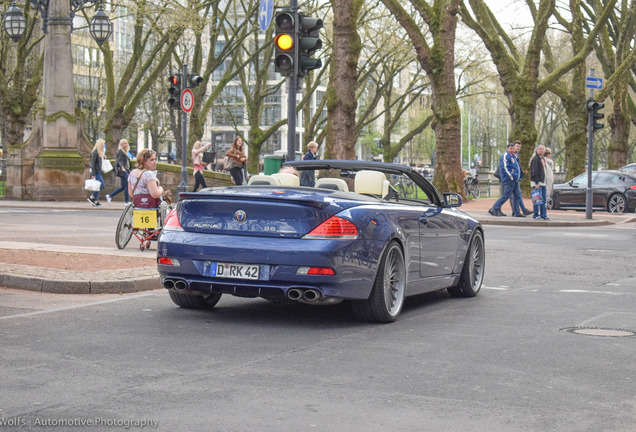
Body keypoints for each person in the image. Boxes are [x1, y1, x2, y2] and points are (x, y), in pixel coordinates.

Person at [488, 142, 520, 217]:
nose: (512, 150)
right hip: (509, 179)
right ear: (507, 149)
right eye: (510, 148)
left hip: (515, 179)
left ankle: (516, 212)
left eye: (513, 148)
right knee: (506, 195)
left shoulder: (513, 156)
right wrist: (511, 176)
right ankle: (494, 208)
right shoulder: (506, 156)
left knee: (518, 195)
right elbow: (505, 167)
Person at [509, 140, 533, 217]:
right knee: (511, 195)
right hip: (511, 178)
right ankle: (516, 211)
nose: (518, 148)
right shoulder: (510, 155)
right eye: (517, 146)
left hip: (516, 178)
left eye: (519, 146)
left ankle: (520, 210)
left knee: (518, 194)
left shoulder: (516, 155)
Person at [105, 139, 131, 205]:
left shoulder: (125, 152)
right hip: (123, 170)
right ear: (121, 145)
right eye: (123, 143)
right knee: (127, 186)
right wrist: (122, 167)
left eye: (126, 143)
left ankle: (110, 196)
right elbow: (119, 161)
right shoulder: (120, 151)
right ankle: (126, 202)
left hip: (126, 170)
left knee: (123, 187)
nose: (125, 144)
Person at [530, 144, 549, 220]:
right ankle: (536, 214)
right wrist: (536, 182)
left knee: (543, 199)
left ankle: (543, 215)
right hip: (538, 182)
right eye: (540, 149)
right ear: (537, 150)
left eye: (542, 149)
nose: (541, 150)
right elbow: (535, 171)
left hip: (542, 181)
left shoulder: (542, 159)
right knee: (537, 199)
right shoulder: (535, 159)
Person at [87, 139, 106, 206]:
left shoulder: (99, 152)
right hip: (96, 172)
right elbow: (92, 164)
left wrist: (103, 157)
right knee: (102, 185)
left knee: (97, 186)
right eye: (103, 144)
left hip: (98, 171)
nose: (104, 145)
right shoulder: (95, 152)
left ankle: (95, 201)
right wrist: (93, 174)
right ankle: (92, 197)